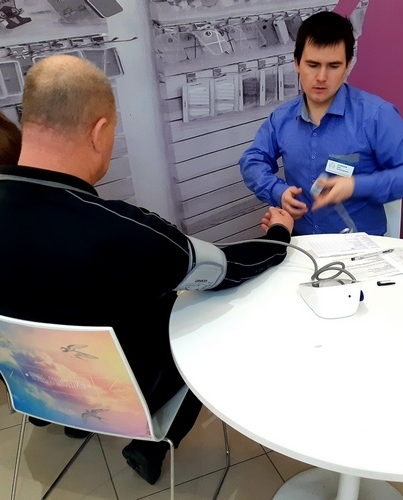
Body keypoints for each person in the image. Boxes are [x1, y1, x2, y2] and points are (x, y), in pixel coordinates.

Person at [0, 54, 293, 486]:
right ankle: (152, 445)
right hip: (120, 396)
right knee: (195, 309)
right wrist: (280, 236)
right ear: (99, 131)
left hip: (32, 387)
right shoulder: (124, 231)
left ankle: (68, 420)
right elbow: (225, 269)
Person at [240, 11, 403, 236]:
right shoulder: (281, 118)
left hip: (360, 246)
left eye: (333, 66)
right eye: (313, 65)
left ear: (347, 65)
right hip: (301, 243)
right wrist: (277, 191)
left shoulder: (376, 115)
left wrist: (355, 186)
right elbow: (252, 160)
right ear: (297, 63)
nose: (321, 77)